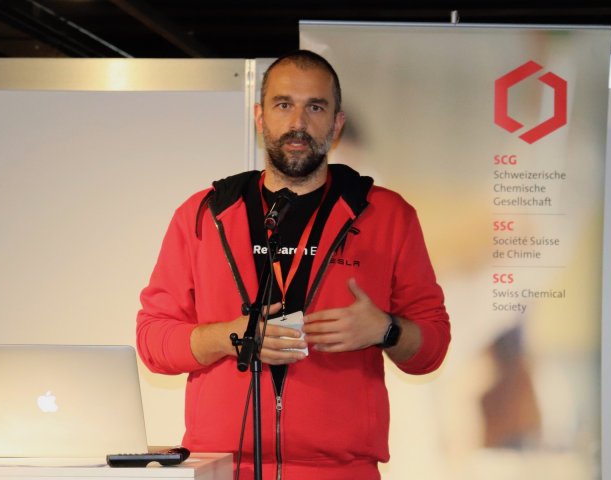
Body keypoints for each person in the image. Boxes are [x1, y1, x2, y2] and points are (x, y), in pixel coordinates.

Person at [136, 50, 450, 480]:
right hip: (222, 468)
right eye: (284, 105)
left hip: (341, 471)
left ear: (336, 124)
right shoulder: (205, 214)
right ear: (260, 117)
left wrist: (386, 330)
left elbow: (432, 347)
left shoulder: (388, 215)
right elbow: (154, 341)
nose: (298, 122)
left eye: (315, 107)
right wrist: (231, 338)